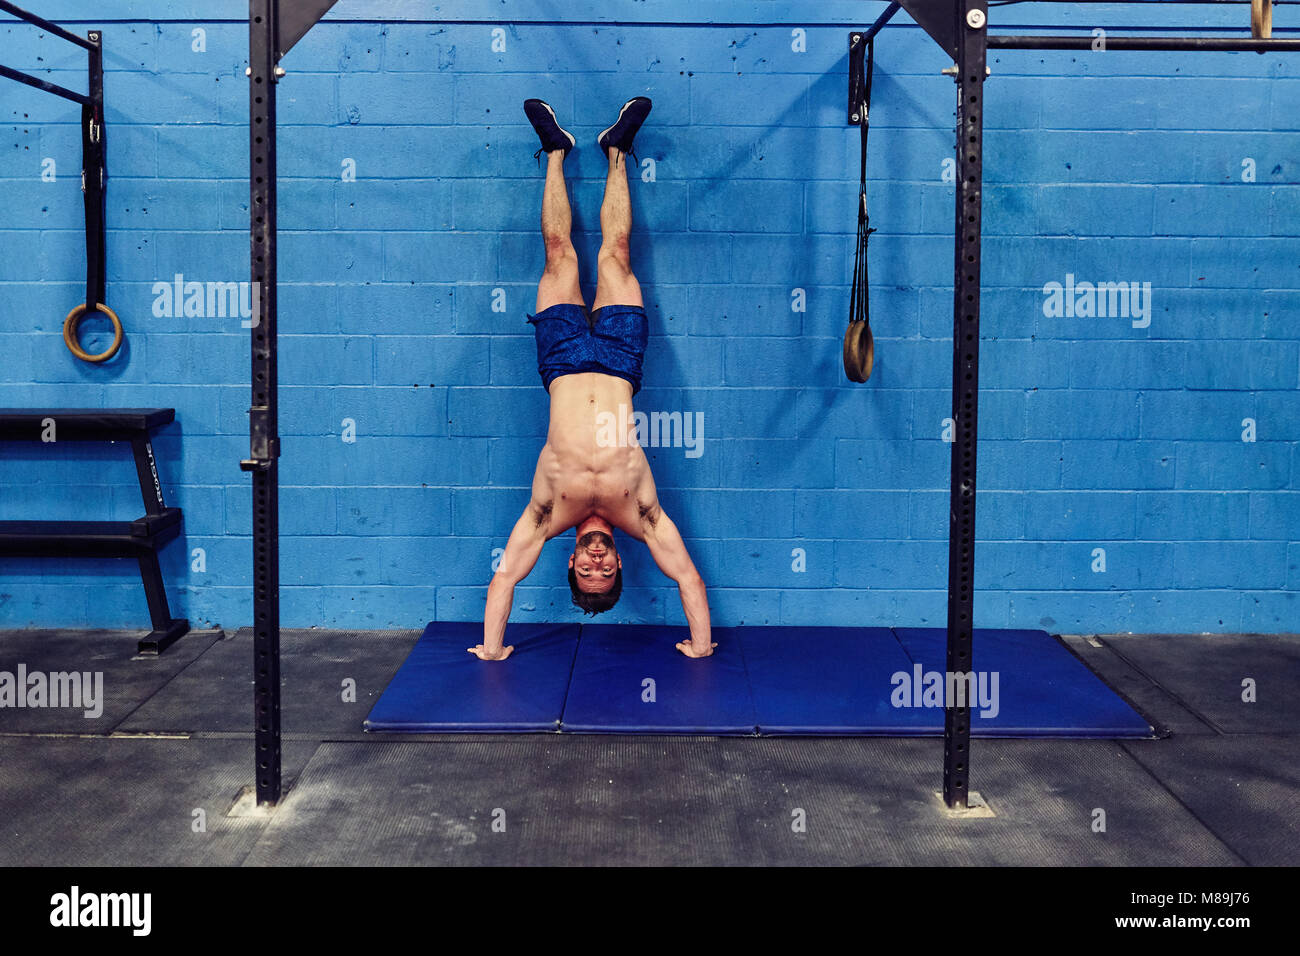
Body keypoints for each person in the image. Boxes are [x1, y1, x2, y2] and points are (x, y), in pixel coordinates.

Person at [468, 97, 715, 662]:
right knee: (617, 256)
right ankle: (616, 152)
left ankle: (556, 153)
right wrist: (700, 648)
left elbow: (505, 579)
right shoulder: (643, 515)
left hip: (563, 362)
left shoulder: (546, 515)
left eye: (588, 571)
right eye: (606, 571)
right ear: (621, 562)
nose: (598, 563)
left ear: (572, 563)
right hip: (621, 362)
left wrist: (491, 647)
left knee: (558, 256)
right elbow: (689, 580)